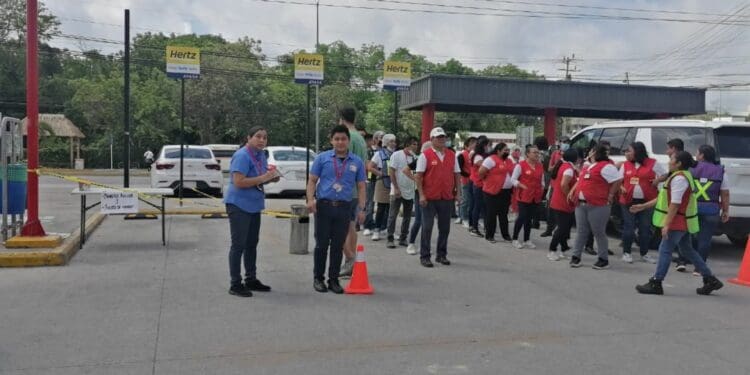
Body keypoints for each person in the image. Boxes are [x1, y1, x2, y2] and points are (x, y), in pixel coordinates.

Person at [633, 151, 724, 296]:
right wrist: (643, 206)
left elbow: (675, 204)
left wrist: (667, 224)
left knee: (665, 250)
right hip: (681, 220)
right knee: (687, 250)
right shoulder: (679, 177)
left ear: (679, 163)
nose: (669, 162)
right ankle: (710, 279)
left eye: (672, 159)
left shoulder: (679, 179)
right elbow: (664, 198)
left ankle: (656, 282)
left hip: (677, 221)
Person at [306, 125, 367, 294]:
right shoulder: (322, 158)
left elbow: (361, 187)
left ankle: (333, 280)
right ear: (331, 140)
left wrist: (362, 209)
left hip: (344, 208)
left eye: (343, 139)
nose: (340, 142)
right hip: (324, 207)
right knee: (322, 245)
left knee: (338, 245)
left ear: (348, 141)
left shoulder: (357, 162)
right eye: (337, 139)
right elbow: (312, 181)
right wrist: (310, 200)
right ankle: (318, 278)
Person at [224, 126, 280, 297]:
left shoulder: (261, 155)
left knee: (251, 244)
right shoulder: (242, 155)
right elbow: (239, 182)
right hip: (239, 205)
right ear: (248, 138)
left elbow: (258, 179)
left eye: (265, 137)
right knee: (238, 245)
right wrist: (264, 178)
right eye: (258, 136)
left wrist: (272, 178)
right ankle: (235, 283)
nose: (262, 140)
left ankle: (251, 279)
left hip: (254, 205)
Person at [569, 145, 623, 269]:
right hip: (581, 203)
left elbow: (618, 180)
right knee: (581, 231)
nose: (589, 153)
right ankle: (576, 256)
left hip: (598, 204)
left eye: (591, 151)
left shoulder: (606, 166)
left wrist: (610, 194)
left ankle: (603, 259)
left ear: (595, 153)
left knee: (598, 232)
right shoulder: (588, 166)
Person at [416, 127, 462, 268]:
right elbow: (418, 176)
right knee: (427, 227)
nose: (442, 139)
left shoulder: (451, 155)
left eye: (443, 137)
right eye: (438, 137)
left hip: (446, 197)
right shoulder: (425, 155)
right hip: (429, 197)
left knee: (445, 228)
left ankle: (441, 255)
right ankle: (425, 256)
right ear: (432, 140)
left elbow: (457, 175)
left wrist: (458, 193)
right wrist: (421, 195)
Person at [618, 142, 664, 264]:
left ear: (637, 152)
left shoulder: (653, 163)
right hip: (628, 201)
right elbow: (618, 180)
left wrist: (657, 181)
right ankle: (627, 252)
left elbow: (665, 175)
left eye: (629, 151)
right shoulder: (626, 165)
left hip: (647, 201)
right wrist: (621, 187)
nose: (627, 153)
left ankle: (644, 253)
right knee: (629, 227)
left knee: (645, 228)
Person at [338, 107, 369, 278]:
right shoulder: (361, 138)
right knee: (351, 227)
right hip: (357, 189)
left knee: (340, 228)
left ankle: (350, 260)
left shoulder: (348, 137)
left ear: (341, 119)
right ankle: (350, 262)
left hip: (345, 189)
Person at [690, 145, 730, 273]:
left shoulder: (691, 168)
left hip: (692, 208)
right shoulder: (720, 171)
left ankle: (684, 261)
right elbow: (725, 193)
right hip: (711, 209)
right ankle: (699, 267)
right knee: (705, 239)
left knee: (689, 236)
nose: (696, 155)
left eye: (697, 153)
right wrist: (725, 210)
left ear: (702, 155)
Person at [478, 142, 514, 243]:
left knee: (503, 214)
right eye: (505, 150)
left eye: (508, 150)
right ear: (498, 151)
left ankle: (505, 235)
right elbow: (481, 172)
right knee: (491, 214)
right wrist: (487, 181)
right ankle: (489, 235)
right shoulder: (491, 159)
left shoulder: (509, 161)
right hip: (492, 191)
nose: (507, 152)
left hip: (506, 191)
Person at [386, 136, 418, 248]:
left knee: (407, 216)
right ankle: (390, 238)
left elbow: (416, 173)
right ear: (408, 145)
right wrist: (396, 188)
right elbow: (391, 171)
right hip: (397, 189)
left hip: (410, 190)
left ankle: (403, 238)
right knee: (393, 215)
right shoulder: (397, 155)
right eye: (414, 144)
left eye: (416, 144)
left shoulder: (415, 157)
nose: (416, 146)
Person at [510, 145, 545, 249]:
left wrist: (542, 188)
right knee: (522, 217)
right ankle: (515, 238)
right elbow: (513, 179)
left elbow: (542, 180)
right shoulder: (520, 165)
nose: (537, 154)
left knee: (529, 219)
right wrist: (520, 185)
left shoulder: (540, 166)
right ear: (528, 154)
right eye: (534, 152)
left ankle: (526, 239)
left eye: (538, 152)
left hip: (535, 196)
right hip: (524, 195)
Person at [547, 148, 579, 261]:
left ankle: (563, 248)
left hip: (560, 202)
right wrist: (569, 195)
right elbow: (564, 185)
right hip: (562, 202)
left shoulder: (565, 166)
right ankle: (552, 249)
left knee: (565, 227)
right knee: (562, 228)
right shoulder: (568, 169)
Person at [406, 141, 432, 255]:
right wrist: (416, 180)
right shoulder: (421, 159)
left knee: (427, 221)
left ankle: (424, 246)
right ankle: (411, 243)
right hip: (420, 192)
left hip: (431, 192)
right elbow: (405, 170)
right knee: (419, 219)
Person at [369, 133, 396, 241]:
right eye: (391, 141)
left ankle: (388, 229)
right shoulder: (379, 154)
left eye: (394, 141)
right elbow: (370, 167)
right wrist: (381, 174)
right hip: (382, 183)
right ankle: (377, 230)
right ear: (385, 143)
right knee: (381, 208)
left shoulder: (397, 154)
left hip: (394, 183)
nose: (394, 143)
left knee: (391, 209)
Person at [362, 131, 384, 236]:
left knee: (381, 203)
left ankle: (381, 226)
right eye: (380, 138)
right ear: (375, 139)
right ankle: (368, 224)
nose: (381, 140)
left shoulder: (384, 151)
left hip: (382, 180)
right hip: (370, 177)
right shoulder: (369, 151)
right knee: (369, 202)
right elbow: (367, 165)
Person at [468, 136, 490, 237]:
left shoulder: (481, 155)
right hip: (478, 184)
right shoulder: (478, 157)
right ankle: (474, 227)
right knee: (477, 206)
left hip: (482, 184)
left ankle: (486, 226)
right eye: (488, 145)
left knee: (484, 206)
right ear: (484, 146)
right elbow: (486, 168)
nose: (489, 147)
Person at [456, 137, 477, 228]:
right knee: (465, 200)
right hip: (465, 181)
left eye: (475, 144)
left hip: (473, 181)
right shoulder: (462, 155)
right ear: (466, 146)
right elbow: (459, 169)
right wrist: (469, 175)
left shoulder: (475, 155)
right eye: (472, 144)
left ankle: (462, 217)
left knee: (470, 201)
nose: (474, 145)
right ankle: (464, 218)